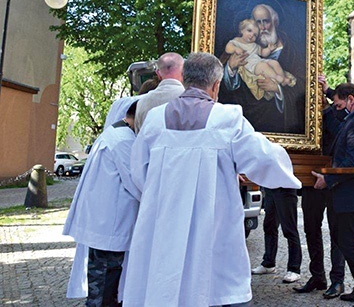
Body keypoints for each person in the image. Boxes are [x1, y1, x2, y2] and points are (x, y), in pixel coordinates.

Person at [122, 52, 301, 307]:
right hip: (213, 224)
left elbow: (139, 173)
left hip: (164, 223)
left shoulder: (155, 118)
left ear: (184, 79)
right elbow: (266, 160)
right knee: (217, 286)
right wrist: (293, 171)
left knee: (167, 285)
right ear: (217, 85)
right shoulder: (227, 118)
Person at [63, 101, 140, 306]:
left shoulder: (114, 133)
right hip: (110, 226)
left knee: (102, 284)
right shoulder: (124, 140)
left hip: (103, 223)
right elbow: (137, 182)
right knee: (105, 287)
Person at [311, 83, 354, 307]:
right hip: (353, 193)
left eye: (340, 104)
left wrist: (327, 180)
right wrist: (330, 92)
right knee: (347, 241)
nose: (338, 109)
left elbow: (352, 163)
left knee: (349, 244)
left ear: (351, 99)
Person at [293, 74, 347, 298]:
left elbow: (342, 124)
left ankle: (338, 280)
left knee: (337, 232)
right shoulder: (302, 120)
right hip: (310, 180)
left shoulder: (335, 113)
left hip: (333, 181)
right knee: (311, 228)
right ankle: (317, 276)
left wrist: (328, 91)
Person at [220, 4, 305, 134]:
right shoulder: (241, 44)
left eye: (266, 21)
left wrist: (278, 89)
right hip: (247, 120)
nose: (263, 27)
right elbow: (219, 83)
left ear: (274, 22)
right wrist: (231, 68)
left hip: (280, 125)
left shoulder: (290, 49)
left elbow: (304, 87)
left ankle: (280, 80)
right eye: (258, 22)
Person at [224, 18, 295, 101]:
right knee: (263, 66)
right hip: (251, 65)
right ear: (242, 30)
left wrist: (269, 49)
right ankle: (277, 77)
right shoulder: (236, 41)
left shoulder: (254, 45)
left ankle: (282, 79)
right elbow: (228, 48)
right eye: (249, 31)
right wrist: (235, 49)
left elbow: (262, 52)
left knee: (274, 62)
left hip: (258, 61)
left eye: (255, 35)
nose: (251, 35)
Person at [251, 184, 303, 284]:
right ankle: (268, 263)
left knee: (289, 229)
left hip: (285, 186)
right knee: (269, 226)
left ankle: (294, 269)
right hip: (271, 186)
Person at [133, 52, 184, 133]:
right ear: (184, 71)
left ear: (158, 73)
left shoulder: (142, 102)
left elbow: (139, 137)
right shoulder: (191, 98)